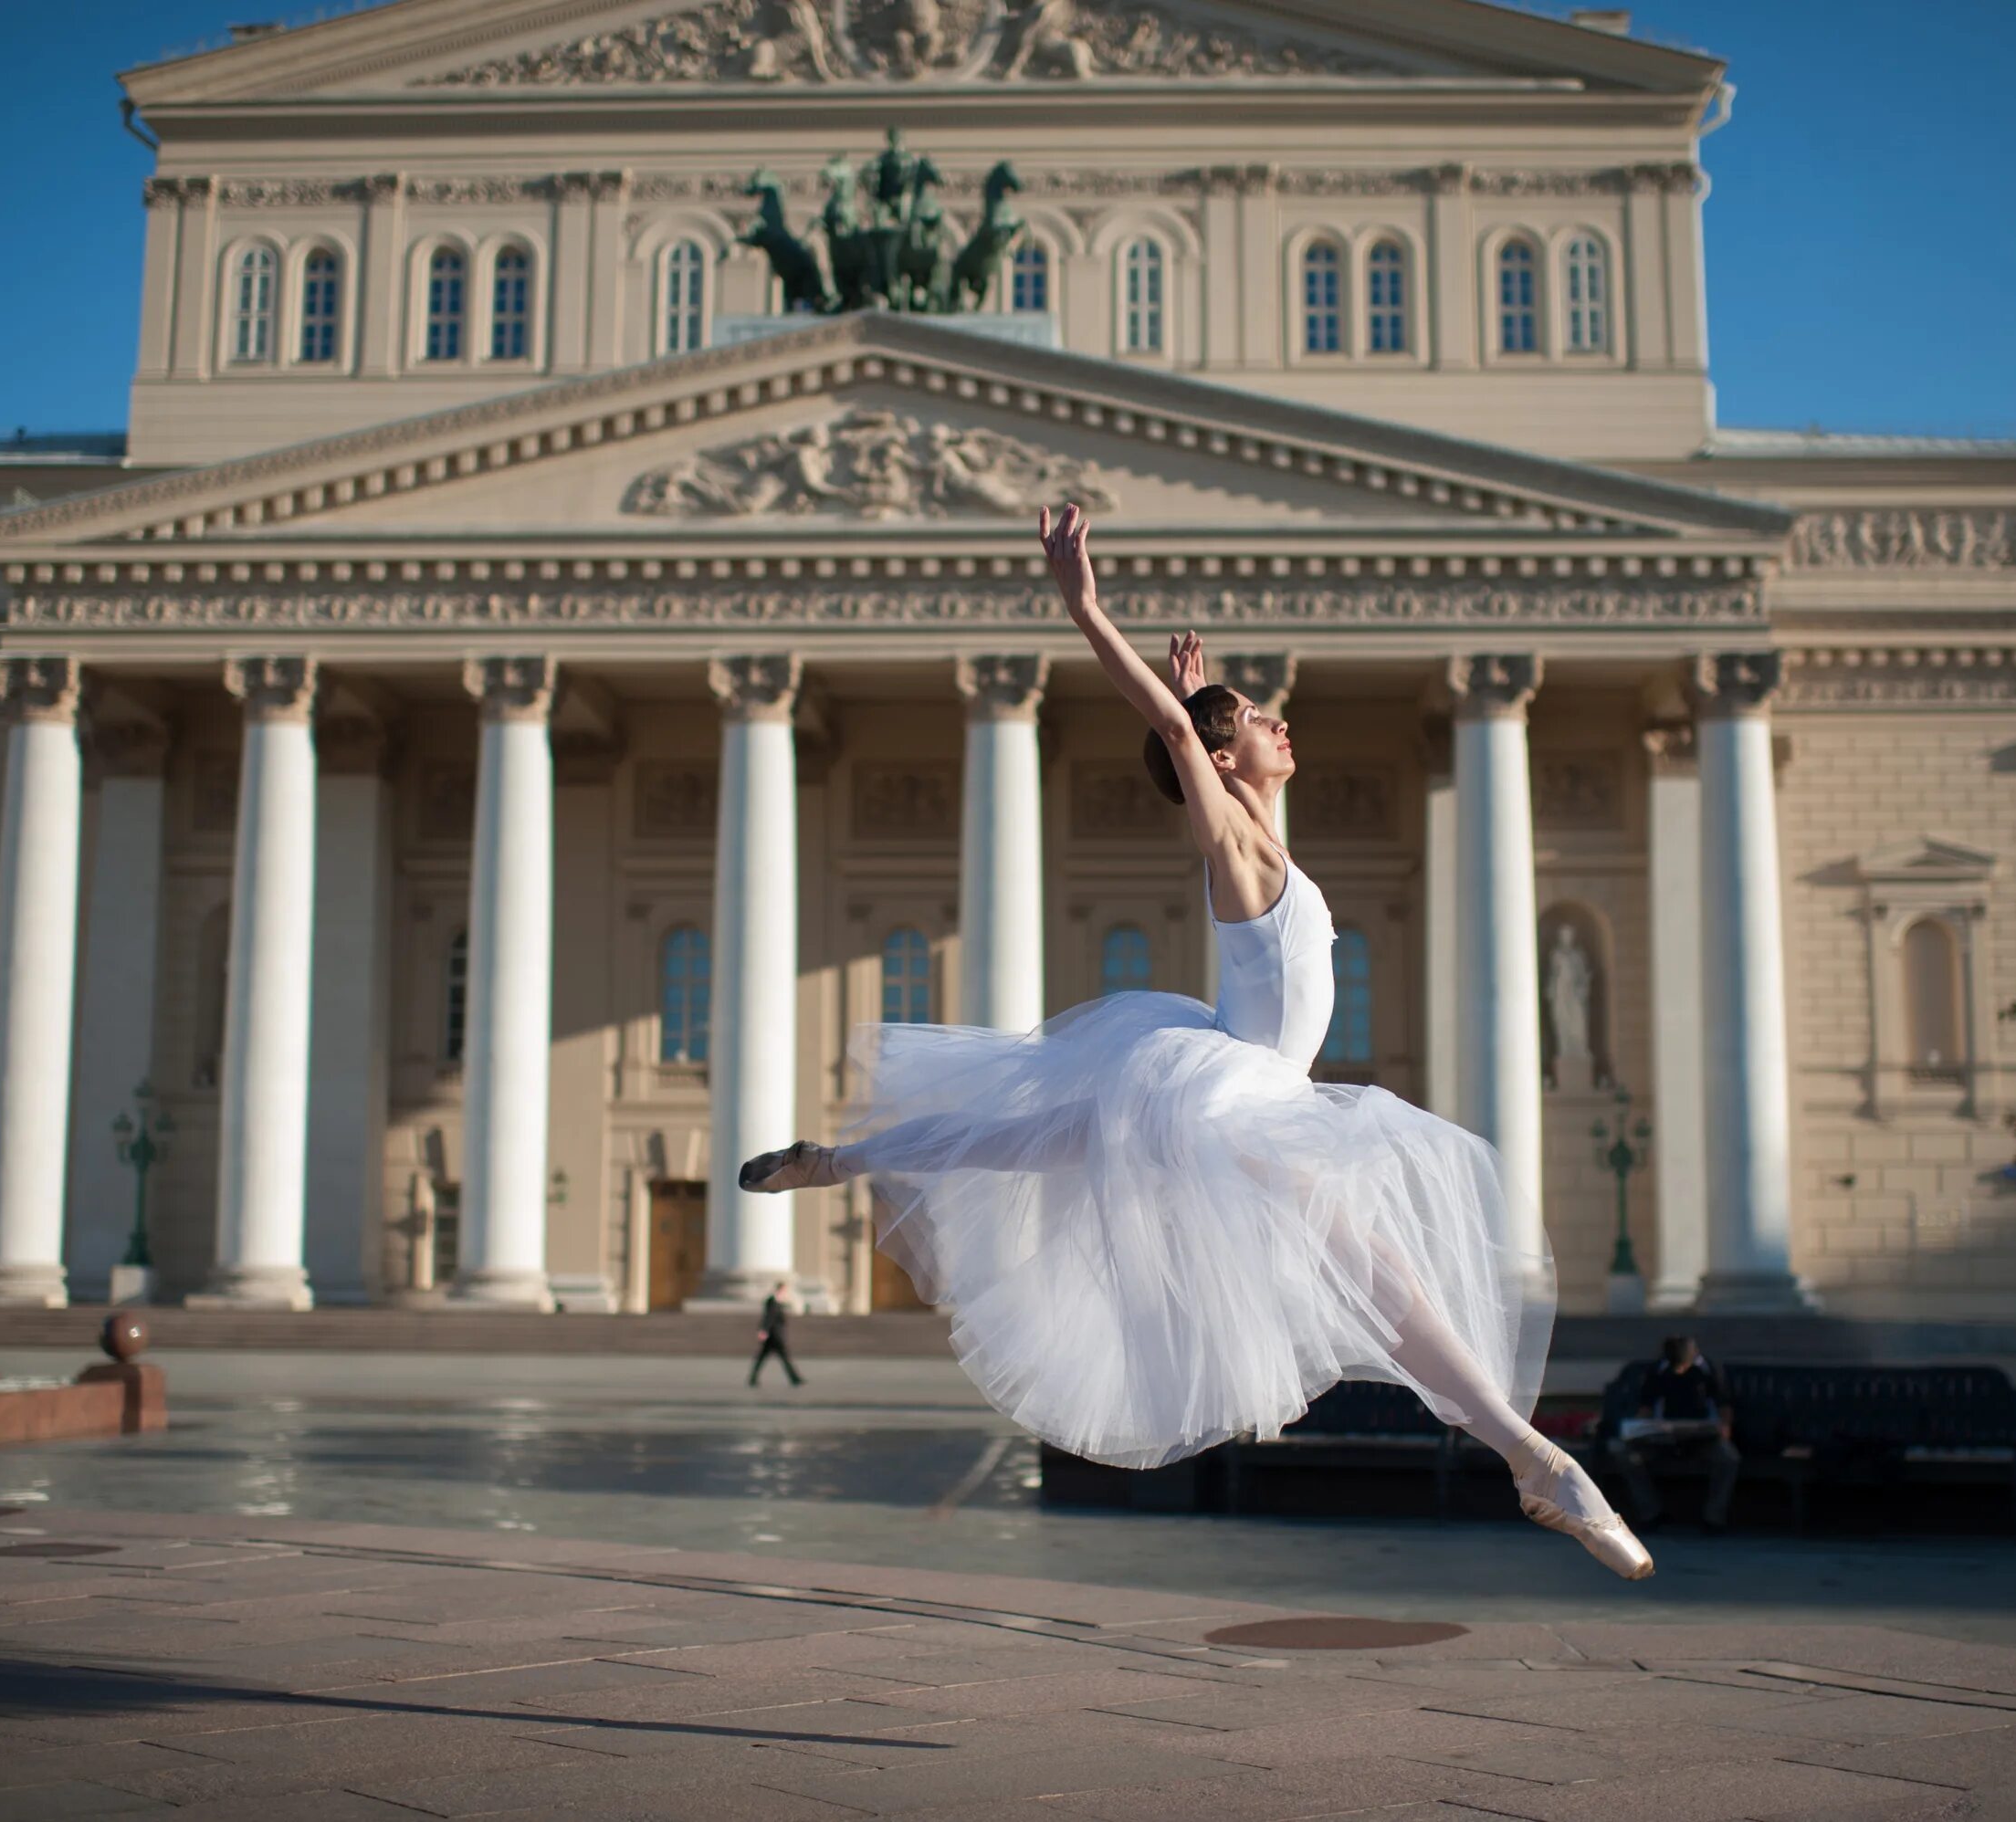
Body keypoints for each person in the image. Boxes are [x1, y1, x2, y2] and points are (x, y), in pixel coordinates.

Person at [736, 503, 1652, 1579]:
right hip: (1234, 1097)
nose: (1281, 726)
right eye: (1262, 721)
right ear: (1220, 756)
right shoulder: (1232, 845)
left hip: (1221, 1077)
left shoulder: (1271, 846)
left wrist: (1210, 689)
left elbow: (1227, 772)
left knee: (1017, 1136)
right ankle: (1538, 1461)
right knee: (1380, 1272)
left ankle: (836, 1160)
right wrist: (1090, 614)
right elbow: (1181, 738)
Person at [1616, 1335, 1739, 1534]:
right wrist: (1639, 1430)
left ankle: (1714, 1518)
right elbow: (1646, 1408)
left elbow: (1724, 1406)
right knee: (1627, 1456)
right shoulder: (1658, 1371)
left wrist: (1723, 1429)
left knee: (1728, 1458)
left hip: (1703, 1437)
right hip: (1662, 1438)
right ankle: (1651, 1513)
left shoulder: (1709, 1370)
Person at [750, 1281, 803, 1387]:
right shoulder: (772, 1301)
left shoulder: (778, 1302)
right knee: (784, 1358)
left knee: (763, 1358)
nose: (786, 1293)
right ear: (780, 1289)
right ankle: (794, 1378)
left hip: (774, 1336)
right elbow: (768, 1317)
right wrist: (763, 1330)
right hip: (774, 1336)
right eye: (784, 1290)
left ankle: (753, 1378)